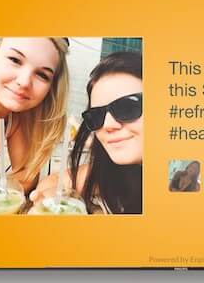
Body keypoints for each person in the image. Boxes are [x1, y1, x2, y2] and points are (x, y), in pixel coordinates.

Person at [0, 37, 69, 210]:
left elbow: (27, 177)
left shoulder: (14, 119)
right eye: (14, 60)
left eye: (42, 75)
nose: (24, 81)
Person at [60, 50, 143, 214]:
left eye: (127, 107)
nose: (107, 125)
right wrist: (46, 195)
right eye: (96, 115)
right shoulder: (121, 170)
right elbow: (60, 179)